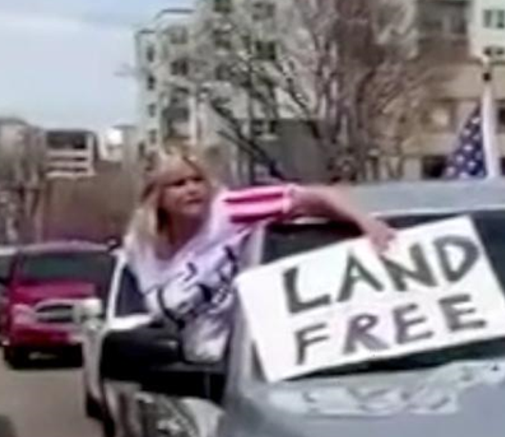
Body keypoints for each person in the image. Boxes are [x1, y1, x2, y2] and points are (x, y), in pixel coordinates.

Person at [123, 146, 393, 364]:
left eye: (198, 180)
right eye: (178, 184)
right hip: (195, 367)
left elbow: (311, 196)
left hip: (250, 362)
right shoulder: (140, 246)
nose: (192, 189)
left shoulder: (229, 210)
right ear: (156, 195)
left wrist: (365, 222)